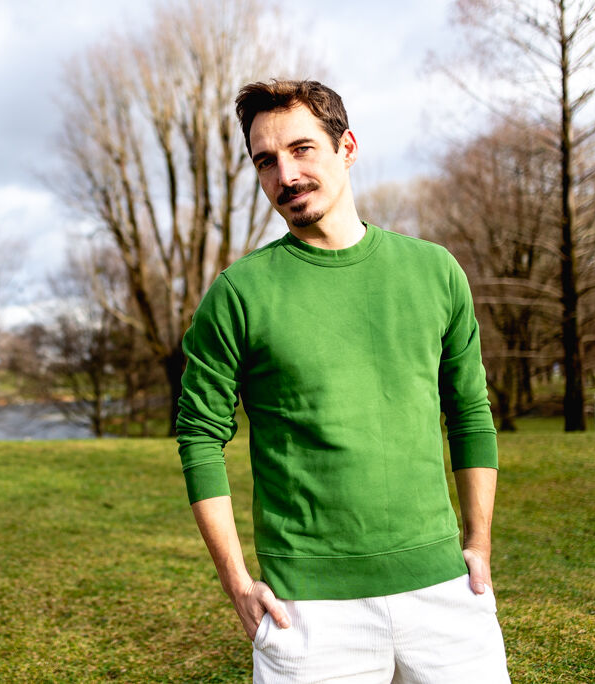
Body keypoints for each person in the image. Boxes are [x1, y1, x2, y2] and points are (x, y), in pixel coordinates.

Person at [176, 79, 510, 683]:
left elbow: (470, 414)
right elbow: (200, 437)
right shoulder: (236, 296)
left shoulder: (435, 272)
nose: (286, 175)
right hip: (306, 608)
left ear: (347, 147)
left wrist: (478, 545)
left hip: (444, 591)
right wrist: (235, 582)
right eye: (266, 161)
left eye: (302, 149)